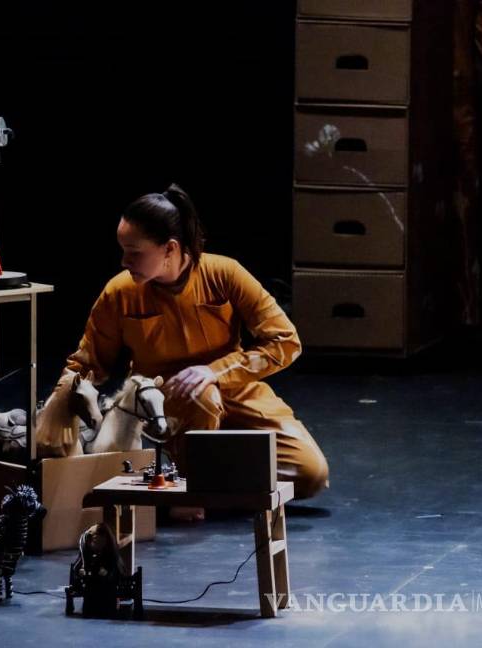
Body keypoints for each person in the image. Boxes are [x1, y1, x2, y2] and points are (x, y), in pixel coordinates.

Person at [63, 183, 329, 513]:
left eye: (135, 252)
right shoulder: (120, 292)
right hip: (164, 401)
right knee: (201, 396)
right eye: (123, 250)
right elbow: (87, 364)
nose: (124, 261)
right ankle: (191, 489)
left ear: (170, 249)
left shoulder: (224, 274)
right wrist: (58, 409)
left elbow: (285, 341)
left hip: (236, 391)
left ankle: (202, 479)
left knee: (309, 473)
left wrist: (215, 372)